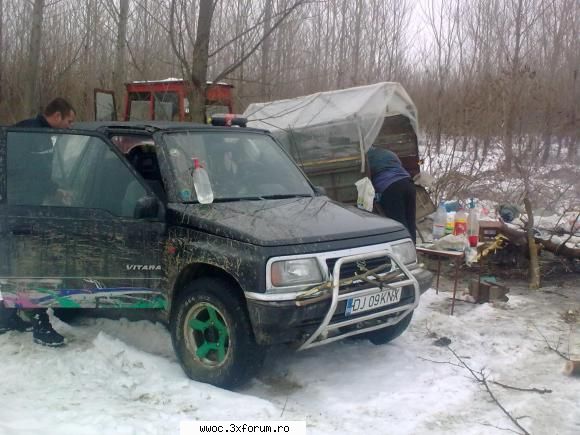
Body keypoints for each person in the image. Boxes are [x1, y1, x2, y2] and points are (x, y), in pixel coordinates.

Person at [0, 97, 76, 347]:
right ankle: (41, 327)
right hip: (19, 211)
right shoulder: (25, 133)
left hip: (27, 208)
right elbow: (16, 172)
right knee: (32, 267)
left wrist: (54, 190)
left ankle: (6, 316)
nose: (69, 126)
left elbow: (39, 174)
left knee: (19, 267)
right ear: (56, 116)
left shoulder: (43, 136)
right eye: (68, 121)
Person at [367, 146, 416, 243]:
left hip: (390, 187)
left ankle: (403, 251)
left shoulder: (367, 157)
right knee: (410, 221)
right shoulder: (388, 153)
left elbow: (366, 177)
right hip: (408, 184)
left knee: (398, 223)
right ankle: (412, 250)